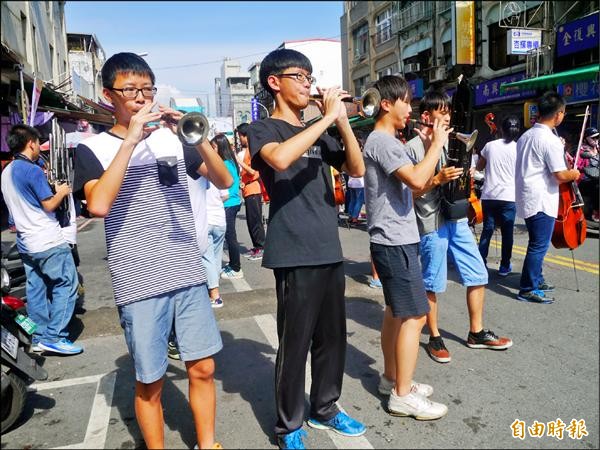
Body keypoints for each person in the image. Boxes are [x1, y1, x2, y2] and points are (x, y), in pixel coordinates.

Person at [73, 52, 231, 449]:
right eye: (130, 90)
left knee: (203, 368)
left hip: (187, 271)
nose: (141, 98)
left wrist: (196, 136)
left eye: (147, 88)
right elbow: (99, 205)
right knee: (150, 381)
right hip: (138, 278)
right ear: (110, 95)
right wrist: (130, 140)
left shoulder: (175, 140)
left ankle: (207, 443)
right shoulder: (93, 150)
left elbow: (224, 179)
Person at [246, 48, 366, 449]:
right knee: (295, 343)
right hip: (294, 249)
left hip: (328, 246)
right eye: (301, 76)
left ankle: (326, 408)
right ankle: (288, 424)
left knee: (332, 339)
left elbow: (357, 169)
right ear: (274, 83)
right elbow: (280, 160)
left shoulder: (321, 127)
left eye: (311, 77)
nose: (309, 84)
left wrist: (342, 123)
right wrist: (327, 118)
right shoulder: (263, 129)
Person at [364, 75, 450, 421]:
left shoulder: (386, 141)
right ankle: (402, 394)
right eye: (407, 102)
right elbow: (415, 179)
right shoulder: (383, 141)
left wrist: (435, 175)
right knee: (415, 316)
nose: (412, 110)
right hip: (394, 240)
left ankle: (391, 379)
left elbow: (410, 190)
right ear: (387, 104)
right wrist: (434, 146)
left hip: (394, 237)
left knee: (395, 313)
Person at [405, 90, 513, 365]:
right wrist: (437, 179)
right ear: (427, 116)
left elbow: (468, 174)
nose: (448, 117)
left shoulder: (457, 141)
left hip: (457, 217)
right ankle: (434, 336)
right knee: (433, 281)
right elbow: (410, 192)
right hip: (432, 220)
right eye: (442, 113)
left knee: (478, 273)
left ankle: (476, 332)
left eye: (449, 112)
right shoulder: (412, 148)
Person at [2, 124, 82, 355]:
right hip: (46, 240)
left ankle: (38, 336)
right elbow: (49, 205)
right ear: (31, 144)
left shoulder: (7, 171)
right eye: (38, 144)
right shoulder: (32, 170)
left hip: (26, 242)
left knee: (36, 288)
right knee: (67, 284)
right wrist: (62, 192)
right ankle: (55, 336)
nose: (39, 148)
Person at [515, 91, 580, 304]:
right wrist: (575, 173)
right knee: (539, 245)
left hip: (528, 196)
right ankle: (527, 288)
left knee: (537, 242)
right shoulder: (549, 139)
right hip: (541, 198)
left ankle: (537, 279)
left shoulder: (526, 135)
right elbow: (561, 175)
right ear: (559, 114)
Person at [476, 115, 521, 276]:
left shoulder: (489, 146)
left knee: (487, 229)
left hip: (489, 195)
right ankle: (504, 266)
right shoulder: (519, 148)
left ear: (501, 129)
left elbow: (479, 167)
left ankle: (481, 263)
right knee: (507, 233)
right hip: (509, 196)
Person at [212, 133, 244, 280]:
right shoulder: (231, 162)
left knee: (230, 237)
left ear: (220, 147)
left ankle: (236, 268)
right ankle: (233, 264)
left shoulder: (224, 164)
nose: (212, 150)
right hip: (234, 201)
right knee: (230, 236)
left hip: (228, 203)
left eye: (214, 147)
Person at [236, 122, 266, 260]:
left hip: (254, 189)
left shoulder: (253, 151)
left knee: (255, 221)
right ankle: (257, 246)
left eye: (240, 136)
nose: (239, 139)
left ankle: (261, 247)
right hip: (249, 189)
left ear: (245, 136)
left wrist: (240, 162)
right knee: (251, 220)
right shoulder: (248, 150)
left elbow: (255, 172)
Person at [203, 178, 229, 308]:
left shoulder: (195, 174)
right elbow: (225, 195)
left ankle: (215, 295)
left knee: (207, 258)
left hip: (205, 220)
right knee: (216, 256)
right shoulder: (216, 172)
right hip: (220, 219)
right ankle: (215, 286)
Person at [577, 127, 599, 222]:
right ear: (586, 139)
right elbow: (576, 166)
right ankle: (596, 212)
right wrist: (585, 169)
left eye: (597, 137)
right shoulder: (581, 151)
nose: (596, 140)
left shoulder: (598, 149)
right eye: (593, 138)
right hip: (585, 180)